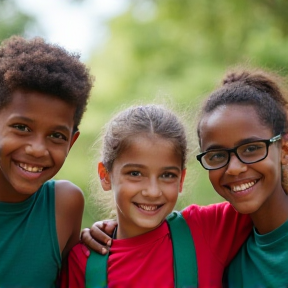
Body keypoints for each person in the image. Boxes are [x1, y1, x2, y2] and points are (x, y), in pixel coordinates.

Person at [61, 104, 252, 288]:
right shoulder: (83, 262)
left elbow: (272, 198)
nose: (152, 191)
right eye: (135, 174)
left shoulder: (208, 229)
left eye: (167, 175)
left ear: (181, 179)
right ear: (105, 175)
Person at [0, 35, 93, 287]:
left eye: (56, 135)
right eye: (21, 127)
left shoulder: (64, 205)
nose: (38, 149)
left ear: (71, 143)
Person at [195, 68, 288, 287]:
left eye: (251, 148)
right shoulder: (222, 253)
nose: (234, 168)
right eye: (217, 155)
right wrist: (112, 232)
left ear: (284, 150)